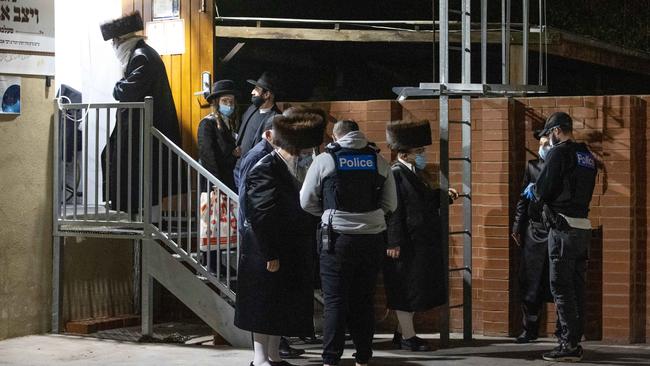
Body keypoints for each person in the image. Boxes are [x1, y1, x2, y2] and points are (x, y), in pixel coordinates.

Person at [300, 120, 397, 366]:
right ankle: (363, 358)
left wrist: (327, 212)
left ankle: (331, 359)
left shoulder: (325, 159)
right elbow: (390, 205)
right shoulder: (378, 159)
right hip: (372, 238)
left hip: (337, 239)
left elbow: (305, 200)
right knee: (363, 300)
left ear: (336, 136)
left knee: (335, 301)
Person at [235, 111, 325, 366]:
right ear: (294, 149)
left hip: (284, 249)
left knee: (278, 304)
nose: (308, 156)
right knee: (264, 305)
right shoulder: (265, 168)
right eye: (305, 151)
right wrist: (270, 253)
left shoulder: (282, 167)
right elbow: (261, 214)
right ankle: (260, 358)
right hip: (266, 251)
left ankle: (273, 355)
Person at [383, 120, 459, 352]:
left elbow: (421, 201)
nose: (423, 154)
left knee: (412, 288)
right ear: (404, 154)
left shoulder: (412, 173)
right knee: (406, 289)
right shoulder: (396, 174)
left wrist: (442, 195)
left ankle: (401, 333)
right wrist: (393, 241)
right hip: (406, 242)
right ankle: (408, 336)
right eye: (418, 151)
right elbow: (394, 209)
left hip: (416, 241)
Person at [529, 112, 597, 362]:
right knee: (576, 286)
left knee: (560, 286)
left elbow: (544, 189)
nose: (547, 140)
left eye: (548, 135)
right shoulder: (586, 155)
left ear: (557, 131)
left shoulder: (559, 153)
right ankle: (575, 338)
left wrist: (535, 199)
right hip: (582, 226)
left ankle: (568, 344)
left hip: (563, 227)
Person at [99, 11, 181, 212]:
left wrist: (118, 84)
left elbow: (124, 91)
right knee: (114, 158)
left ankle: (128, 209)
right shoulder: (143, 53)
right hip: (139, 127)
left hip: (140, 130)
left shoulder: (141, 57)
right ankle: (126, 207)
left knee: (126, 167)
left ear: (119, 40)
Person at [511, 131, 554, 344]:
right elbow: (522, 199)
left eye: (547, 143)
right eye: (541, 143)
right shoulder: (532, 166)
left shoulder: (560, 164)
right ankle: (529, 329)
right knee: (530, 281)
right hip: (533, 231)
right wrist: (517, 226)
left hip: (554, 229)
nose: (542, 147)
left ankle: (562, 330)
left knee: (556, 280)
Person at [233, 72, 281, 186]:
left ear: (267, 94)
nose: (252, 92)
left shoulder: (276, 118)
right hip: (238, 168)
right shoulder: (251, 109)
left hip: (254, 174)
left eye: (256, 89)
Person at [197, 79, 239, 191]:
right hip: (215, 182)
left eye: (231, 101)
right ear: (216, 102)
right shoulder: (207, 123)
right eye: (225, 101)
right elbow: (207, 157)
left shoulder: (231, 122)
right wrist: (215, 183)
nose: (229, 105)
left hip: (229, 178)